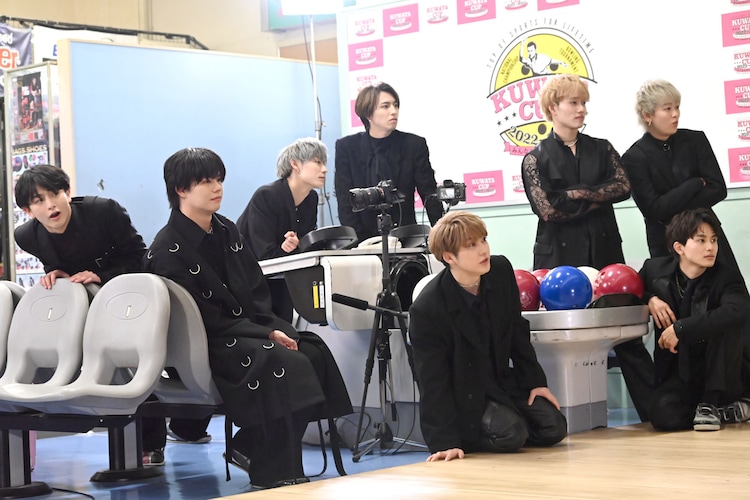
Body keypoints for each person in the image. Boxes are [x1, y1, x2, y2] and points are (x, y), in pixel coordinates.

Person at [143, 147, 352, 489]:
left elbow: (255, 289)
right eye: (206, 182)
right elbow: (200, 318)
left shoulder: (226, 229)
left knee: (311, 351)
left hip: (244, 331)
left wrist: (271, 328)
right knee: (286, 361)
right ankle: (271, 469)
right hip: (208, 342)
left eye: (219, 180)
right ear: (181, 189)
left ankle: (250, 447)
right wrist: (264, 334)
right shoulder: (167, 249)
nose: (218, 188)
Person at [13, 164, 210, 466]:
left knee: (147, 366)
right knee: (113, 373)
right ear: (28, 210)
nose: (51, 205)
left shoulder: (103, 211)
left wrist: (102, 276)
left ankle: (161, 439)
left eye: (55, 194)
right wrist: (56, 273)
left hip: (132, 297)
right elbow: (54, 262)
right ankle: (141, 443)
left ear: (67, 192)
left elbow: (141, 257)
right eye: (39, 200)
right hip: (89, 308)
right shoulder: (26, 236)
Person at [520, 74, 654, 422]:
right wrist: (595, 196)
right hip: (558, 258)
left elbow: (622, 187)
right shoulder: (535, 158)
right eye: (574, 103)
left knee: (625, 334)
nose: (581, 109)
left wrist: (575, 194)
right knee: (560, 340)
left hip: (605, 251)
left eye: (583, 103)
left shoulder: (602, 148)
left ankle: (657, 411)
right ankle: (556, 419)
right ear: (553, 108)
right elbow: (547, 211)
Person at [620, 79, 750, 398]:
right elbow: (654, 209)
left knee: (731, 306)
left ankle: (738, 389)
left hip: (707, 237)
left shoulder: (695, 140)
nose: (676, 114)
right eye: (668, 109)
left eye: (677, 107)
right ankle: (686, 390)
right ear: (648, 115)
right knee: (679, 311)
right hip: (667, 246)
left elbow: (718, 188)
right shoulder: (634, 157)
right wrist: (694, 184)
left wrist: (676, 201)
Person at [409, 211, 567, 462]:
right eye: (471, 245)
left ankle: (514, 424)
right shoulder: (428, 308)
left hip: (502, 382)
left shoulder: (500, 270)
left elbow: (517, 331)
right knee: (511, 433)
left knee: (554, 428)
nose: (483, 249)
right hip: (467, 394)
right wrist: (445, 441)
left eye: (483, 239)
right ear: (449, 257)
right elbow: (431, 379)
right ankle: (472, 435)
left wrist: (535, 382)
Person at [640, 208, 750, 431]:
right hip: (682, 371)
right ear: (679, 247)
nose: (711, 247)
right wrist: (650, 299)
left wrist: (680, 329)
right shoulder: (654, 270)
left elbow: (737, 311)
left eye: (713, 240)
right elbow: (631, 292)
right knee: (662, 417)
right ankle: (724, 411)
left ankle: (712, 402)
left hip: (725, 371)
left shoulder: (727, 276)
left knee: (724, 321)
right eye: (701, 240)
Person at [334, 82, 443, 242]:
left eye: (395, 105)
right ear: (368, 113)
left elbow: (429, 195)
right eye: (385, 106)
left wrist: (443, 237)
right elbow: (345, 201)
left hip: (406, 237)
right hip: (363, 241)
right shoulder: (347, 147)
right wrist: (357, 244)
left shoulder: (413, 145)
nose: (394, 111)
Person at [236, 138, 328, 323]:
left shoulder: (311, 199)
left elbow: (305, 244)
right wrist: (287, 248)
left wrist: (295, 245)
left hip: (284, 279)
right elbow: (263, 253)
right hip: (250, 282)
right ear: (295, 164)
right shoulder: (267, 195)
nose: (324, 169)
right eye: (317, 162)